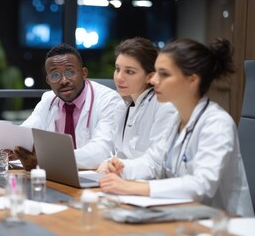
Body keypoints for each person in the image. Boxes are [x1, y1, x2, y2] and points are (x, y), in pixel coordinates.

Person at [99, 38, 254, 217]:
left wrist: (135, 187)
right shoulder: (178, 120)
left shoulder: (217, 123)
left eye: (164, 74)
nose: (154, 80)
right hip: (184, 215)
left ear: (192, 81)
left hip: (224, 224)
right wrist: (121, 168)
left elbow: (201, 185)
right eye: (156, 72)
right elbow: (153, 162)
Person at [15, 43, 123, 170]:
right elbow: (24, 133)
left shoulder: (109, 100)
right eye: (55, 75)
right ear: (48, 81)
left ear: (84, 73)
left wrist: (47, 159)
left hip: (93, 178)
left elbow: (101, 151)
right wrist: (5, 149)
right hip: (56, 176)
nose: (64, 80)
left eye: (70, 72)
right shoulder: (48, 100)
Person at [97, 37, 177, 174]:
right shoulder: (121, 104)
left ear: (149, 76)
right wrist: (110, 163)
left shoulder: (164, 106)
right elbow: (119, 153)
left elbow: (156, 165)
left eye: (130, 72)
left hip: (151, 187)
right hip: (125, 184)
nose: (119, 77)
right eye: (117, 69)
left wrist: (116, 167)